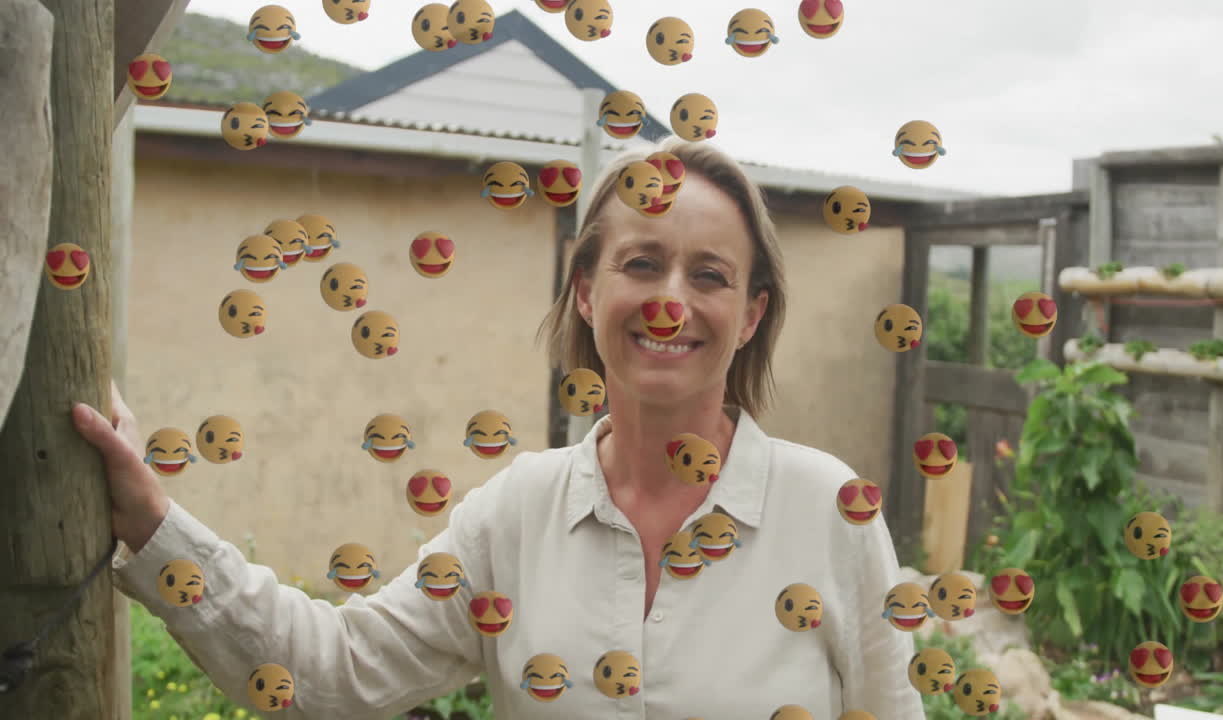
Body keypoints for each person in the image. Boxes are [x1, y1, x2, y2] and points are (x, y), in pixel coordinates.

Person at [74, 135, 924, 720]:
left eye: (709, 275)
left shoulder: (826, 512)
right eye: (641, 262)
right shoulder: (517, 516)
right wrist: (152, 525)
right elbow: (329, 675)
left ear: (749, 315)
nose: (672, 299)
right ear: (587, 290)